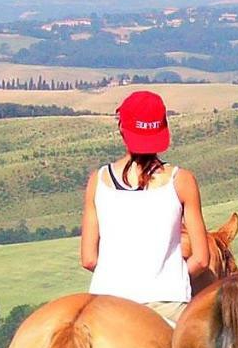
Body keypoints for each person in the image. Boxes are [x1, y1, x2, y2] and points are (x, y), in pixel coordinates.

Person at [80, 90, 210, 326]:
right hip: (166, 302)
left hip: (105, 301)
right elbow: (201, 260)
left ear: (122, 129)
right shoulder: (182, 180)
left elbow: (89, 259)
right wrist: (171, 277)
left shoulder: (97, 181)